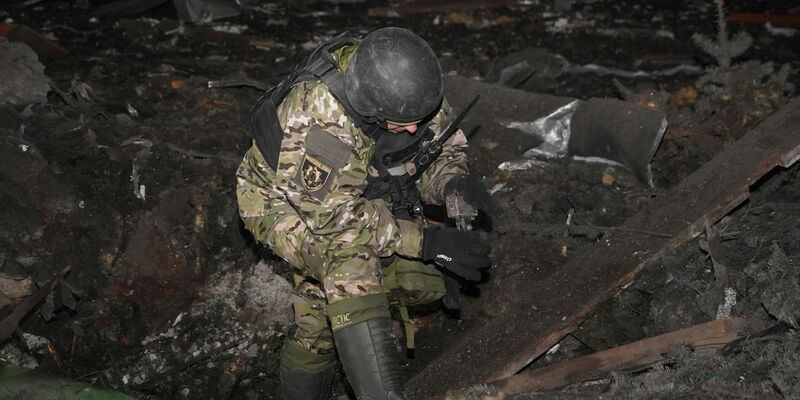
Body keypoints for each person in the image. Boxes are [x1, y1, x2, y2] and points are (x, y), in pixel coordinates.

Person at [236, 27, 492, 400]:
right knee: (347, 264)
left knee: (321, 313)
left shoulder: (405, 88)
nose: (411, 129)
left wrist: (454, 185)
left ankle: (319, 341)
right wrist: (425, 241)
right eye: (403, 123)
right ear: (368, 105)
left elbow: (437, 147)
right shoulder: (321, 120)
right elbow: (332, 218)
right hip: (279, 203)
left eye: (418, 118)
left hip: (358, 186)